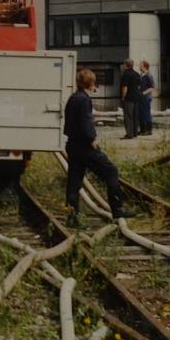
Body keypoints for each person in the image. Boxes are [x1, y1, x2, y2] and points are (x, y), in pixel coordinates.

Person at [64, 69, 133, 227]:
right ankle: (117, 209)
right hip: (85, 146)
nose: (95, 85)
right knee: (111, 171)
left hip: (73, 145)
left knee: (74, 182)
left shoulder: (73, 98)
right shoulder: (85, 100)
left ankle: (72, 217)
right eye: (94, 82)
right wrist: (92, 139)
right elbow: (85, 121)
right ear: (89, 83)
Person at [120, 59, 141, 139]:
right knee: (135, 116)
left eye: (124, 64)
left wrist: (123, 96)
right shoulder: (137, 74)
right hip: (136, 98)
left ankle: (129, 134)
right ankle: (135, 133)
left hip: (129, 98)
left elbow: (125, 87)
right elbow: (139, 86)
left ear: (126, 65)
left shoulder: (126, 74)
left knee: (128, 116)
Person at [138, 61, 155, 136]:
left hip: (146, 97)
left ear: (145, 67)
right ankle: (142, 130)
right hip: (140, 97)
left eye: (141, 66)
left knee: (146, 113)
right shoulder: (141, 75)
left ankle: (149, 130)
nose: (139, 67)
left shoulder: (149, 75)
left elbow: (152, 87)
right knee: (141, 113)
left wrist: (144, 93)